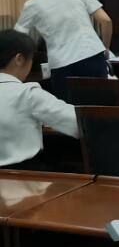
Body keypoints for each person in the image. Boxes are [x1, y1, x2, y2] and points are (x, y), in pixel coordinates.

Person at [14, 0, 113, 98]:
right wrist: (105, 47)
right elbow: (106, 20)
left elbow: (17, 37)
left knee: (68, 108)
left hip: (62, 64)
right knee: (99, 105)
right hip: (92, 56)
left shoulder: (32, 4)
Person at [0, 30, 80, 170]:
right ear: (19, 59)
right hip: (23, 175)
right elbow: (77, 122)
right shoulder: (27, 93)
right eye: (31, 59)